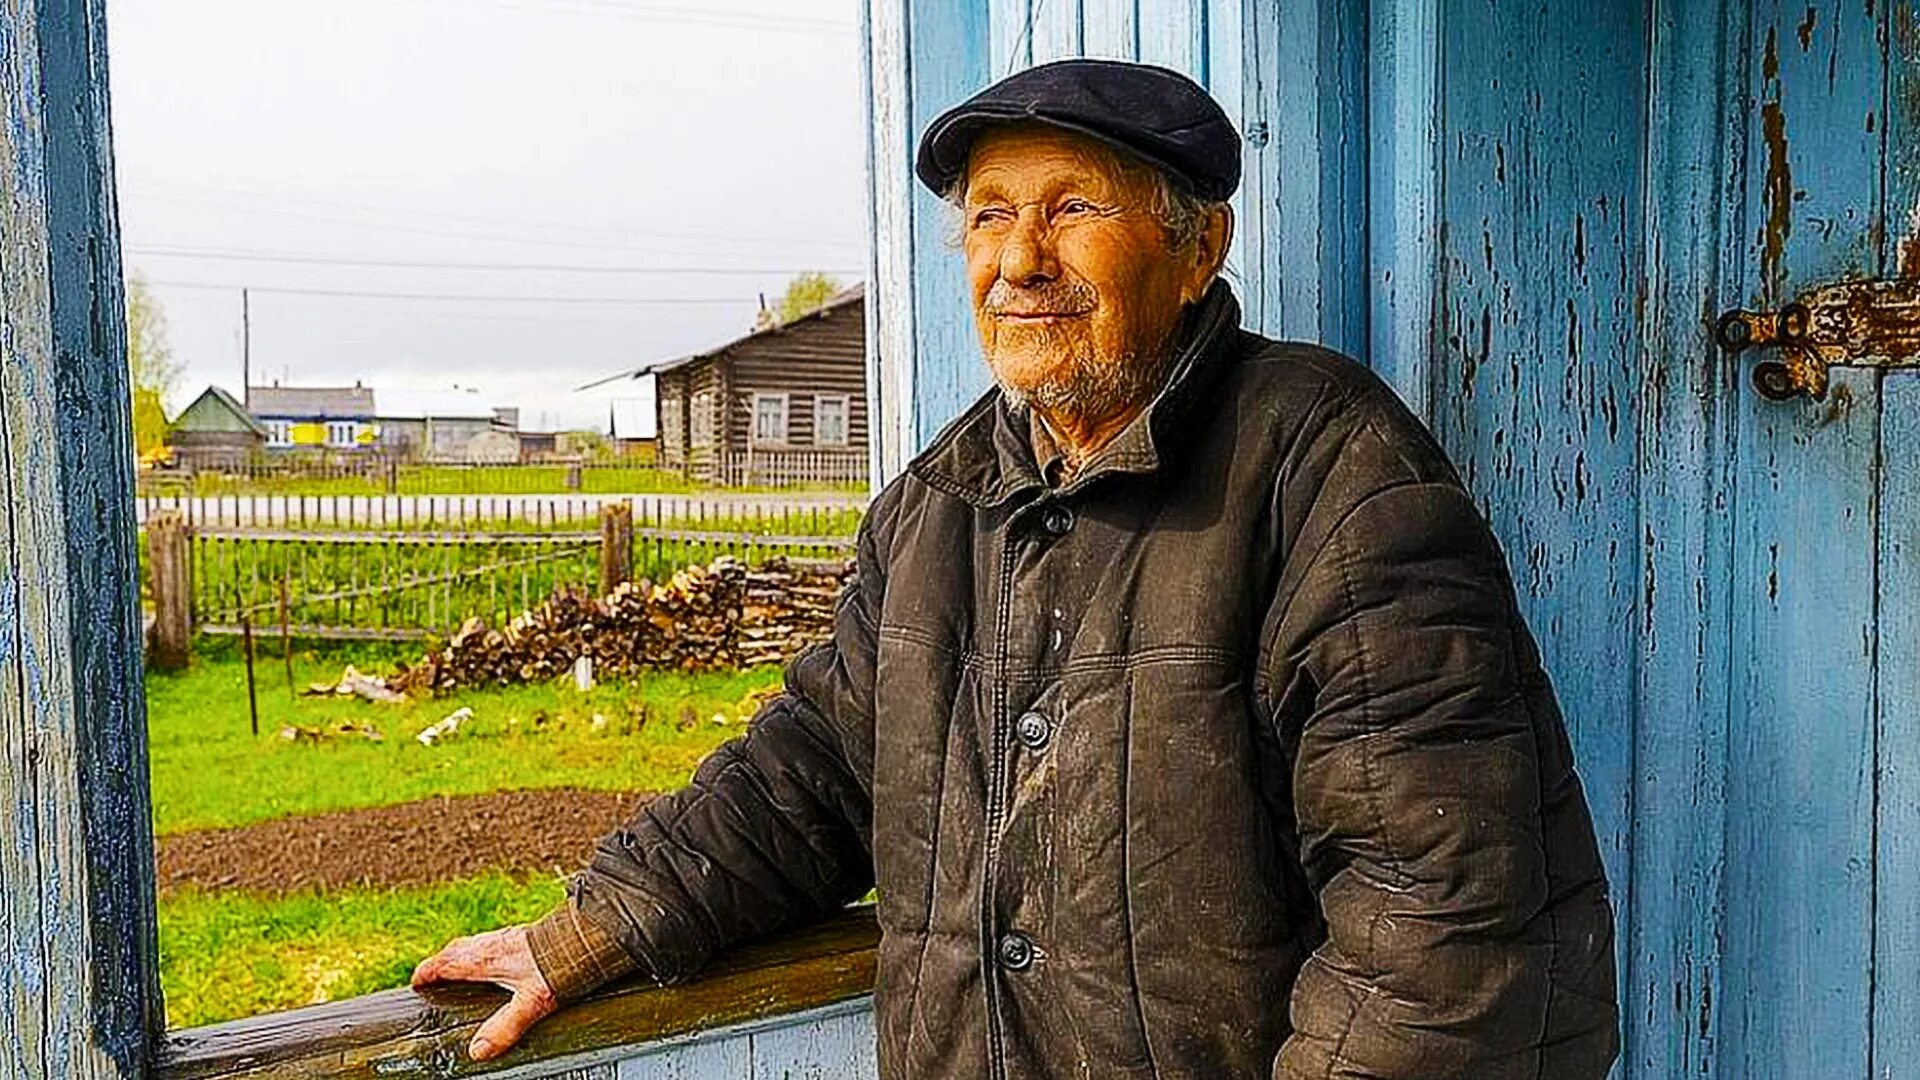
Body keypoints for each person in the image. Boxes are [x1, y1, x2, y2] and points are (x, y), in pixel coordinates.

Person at [413, 58, 1621, 1079]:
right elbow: (824, 766)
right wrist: (596, 930)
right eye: (991, 215)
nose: (1021, 259)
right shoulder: (942, 501)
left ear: (1199, 248)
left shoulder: (1328, 470)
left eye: (1074, 208)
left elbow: (1438, 915)